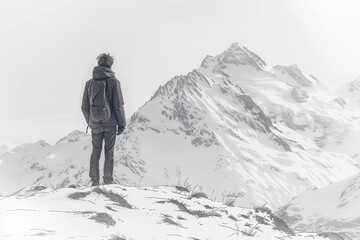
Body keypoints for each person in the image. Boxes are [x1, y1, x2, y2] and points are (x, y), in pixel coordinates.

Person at [81, 53, 126, 186]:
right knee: (109, 153)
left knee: (95, 152)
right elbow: (118, 105)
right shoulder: (114, 82)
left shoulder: (89, 83)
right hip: (110, 123)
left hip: (95, 124)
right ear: (110, 65)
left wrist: (90, 121)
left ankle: (94, 181)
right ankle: (108, 180)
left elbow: (84, 106)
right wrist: (121, 123)